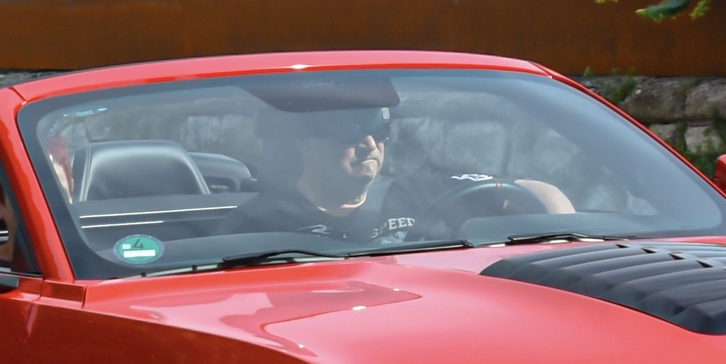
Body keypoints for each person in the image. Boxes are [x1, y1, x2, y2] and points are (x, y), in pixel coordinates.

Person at [218, 104, 569, 243]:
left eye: (379, 131)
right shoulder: (259, 221)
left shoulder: (420, 190)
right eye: (351, 134)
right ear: (306, 144)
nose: (370, 144)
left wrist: (561, 242)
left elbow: (538, 191)